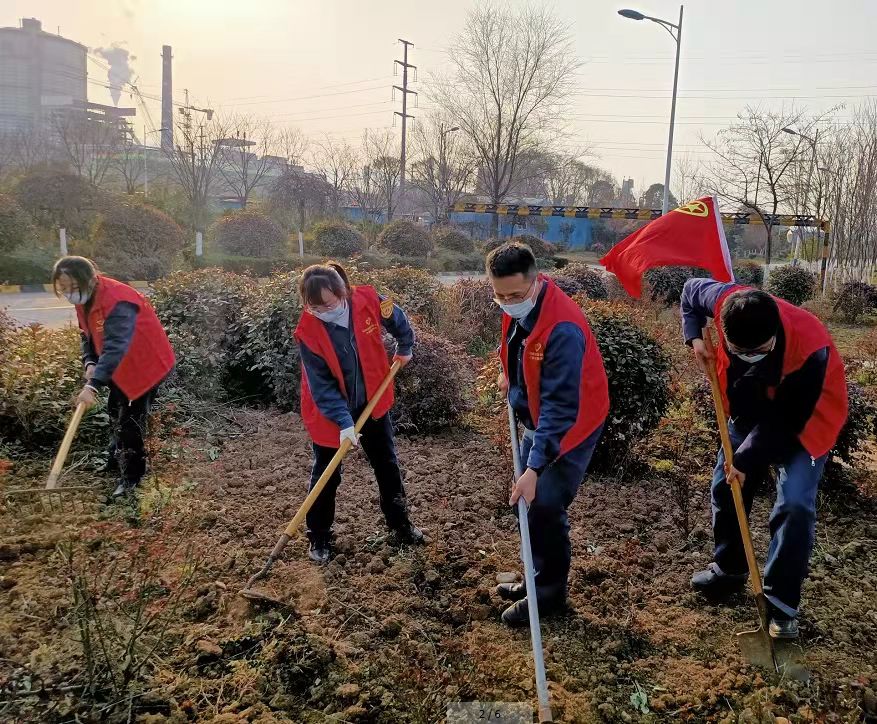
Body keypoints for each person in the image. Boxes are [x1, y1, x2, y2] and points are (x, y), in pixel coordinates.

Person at [681, 278, 848, 639]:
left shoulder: (810, 346)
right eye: (739, 351)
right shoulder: (726, 300)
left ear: (775, 334)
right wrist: (694, 336)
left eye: (760, 351)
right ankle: (730, 569)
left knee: (795, 505)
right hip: (749, 409)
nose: (750, 357)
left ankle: (781, 603)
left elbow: (786, 421)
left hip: (807, 420)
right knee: (726, 488)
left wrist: (744, 459)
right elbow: (689, 291)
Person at [488, 243, 610, 627]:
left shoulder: (563, 328)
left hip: (572, 425)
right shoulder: (520, 306)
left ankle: (549, 594)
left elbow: (560, 410)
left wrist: (535, 468)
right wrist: (510, 376)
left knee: (543, 503)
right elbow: (515, 344)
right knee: (527, 503)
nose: (508, 303)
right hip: (539, 417)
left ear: (536, 281)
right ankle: (535, 576)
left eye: (515, 295)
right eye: (500, 295)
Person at [293, 262, 423, 564]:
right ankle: (319, 536)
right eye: (315, 307)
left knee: (386, 463)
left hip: (372, 400)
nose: (324, 312)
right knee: (327, 473)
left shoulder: (367, 299)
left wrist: (405, 346)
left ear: (343, 293)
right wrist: (344, 422)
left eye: (329, 305)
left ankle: (400, 525)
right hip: (330, 411)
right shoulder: (308, 332)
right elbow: (322, 386)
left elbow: (397, 318)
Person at [52, 256, 175, 497]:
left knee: (130, 421)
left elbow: (116, 346)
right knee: (115, 411)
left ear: (90, 279)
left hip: (144, 365)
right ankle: (116, 456)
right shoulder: (86, 298)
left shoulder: (119, 300)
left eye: (73, 287)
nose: (69, 293)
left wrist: (93, 386)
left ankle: (132, 477)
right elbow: (86, 333)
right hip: (121, 365)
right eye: (63, 287)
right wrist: (90, 361)